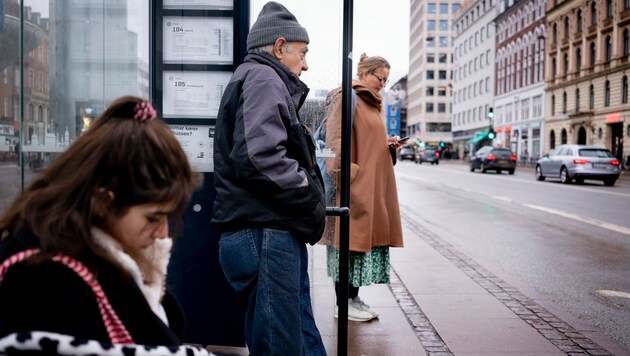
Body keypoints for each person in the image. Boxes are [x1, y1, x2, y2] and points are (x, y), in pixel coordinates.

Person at [0, 96, 203, 347]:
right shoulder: (46, 280)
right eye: (153, 218)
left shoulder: (91, 253)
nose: (163, 234)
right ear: (104, 203)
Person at [212, 2, 327, 355]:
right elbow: (260, 158)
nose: (305, 63)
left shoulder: (256, 77)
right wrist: (310, 195)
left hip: (266, 234)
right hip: (266, 235)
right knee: (281, 346)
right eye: (302, 52)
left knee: (295, 339)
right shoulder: (264, 77)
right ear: (280, 48)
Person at [322, 53, 404, 322]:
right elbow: (335, 140)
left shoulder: (373, 104)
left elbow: (367, 143)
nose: (382, 83)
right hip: (353, 187)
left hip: (371, 187)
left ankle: (352, 298)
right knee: (348, 244)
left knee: (359, 246)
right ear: (365, 73)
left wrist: (387, 146)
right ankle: (341, 304)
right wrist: (349, 176)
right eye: (379, 78)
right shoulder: (348, 96)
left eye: (386, 80)